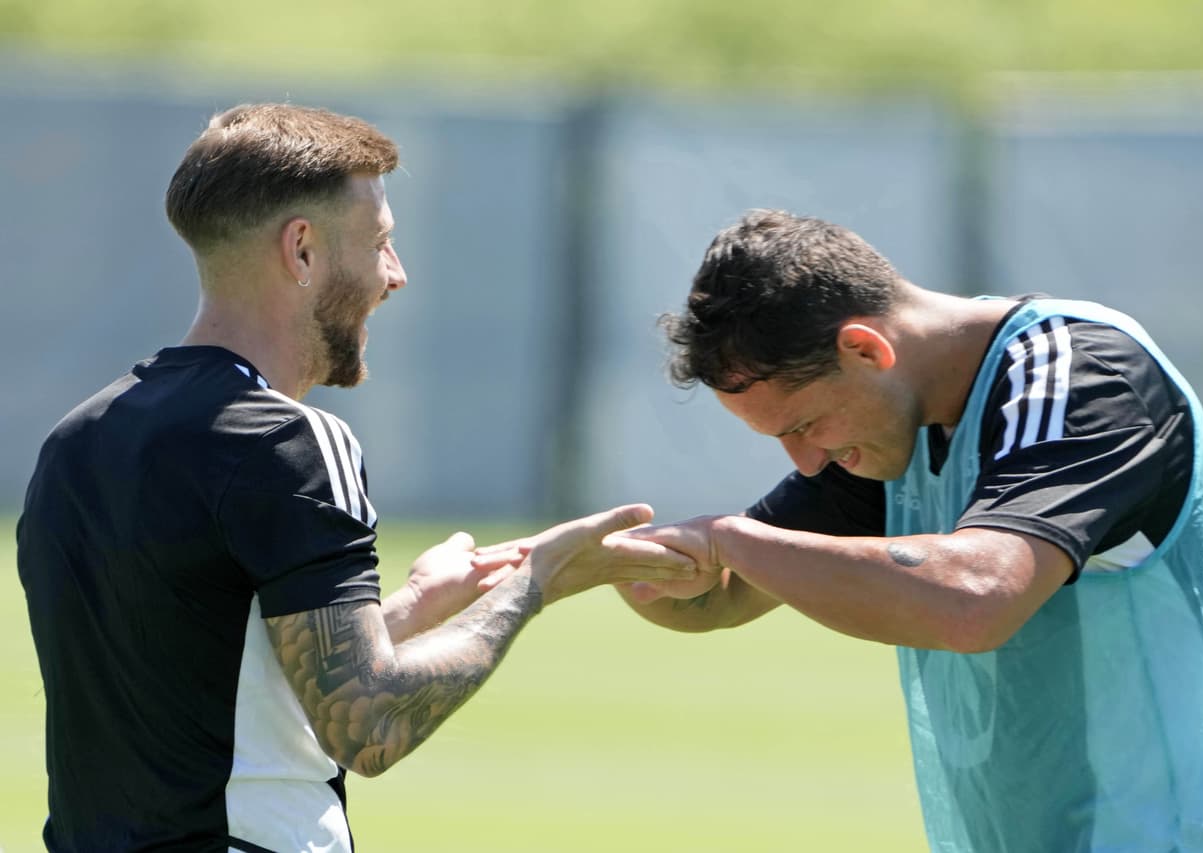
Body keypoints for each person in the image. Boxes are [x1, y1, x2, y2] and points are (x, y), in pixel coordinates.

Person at [15, 103, 697, 852]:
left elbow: (218, 683)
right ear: (301, 250)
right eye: (379, 243)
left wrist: (410, 607)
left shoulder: (75, 441)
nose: (395, 275)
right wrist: (536, 580)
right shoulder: (291, 440)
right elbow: (368, 725)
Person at [612, 209, 1203, 850]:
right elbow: (718, 593)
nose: (807, 460)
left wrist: (728, 535)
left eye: (804, 425)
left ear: (865, 349)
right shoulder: (888, 426)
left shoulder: (1078, 376)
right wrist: (607, 560)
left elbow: (975, 598)